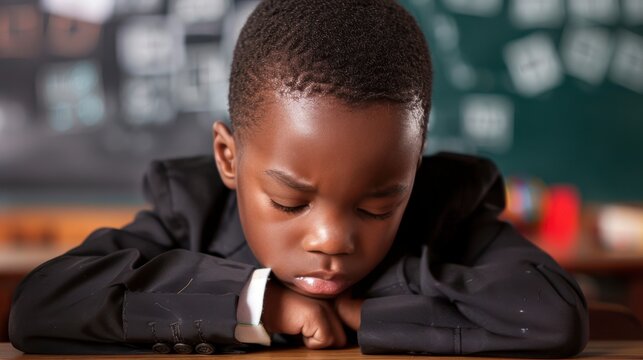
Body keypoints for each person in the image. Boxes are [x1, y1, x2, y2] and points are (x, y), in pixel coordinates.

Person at [9, 0, 588, 356]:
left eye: (378, 207)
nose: (332, 240)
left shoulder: (445, 210)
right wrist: (263, 305)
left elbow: (553, 317)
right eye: (290, 202)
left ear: (413, 170)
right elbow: (39, 306)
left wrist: (366, 309)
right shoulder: (192, 209)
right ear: (229, 159)